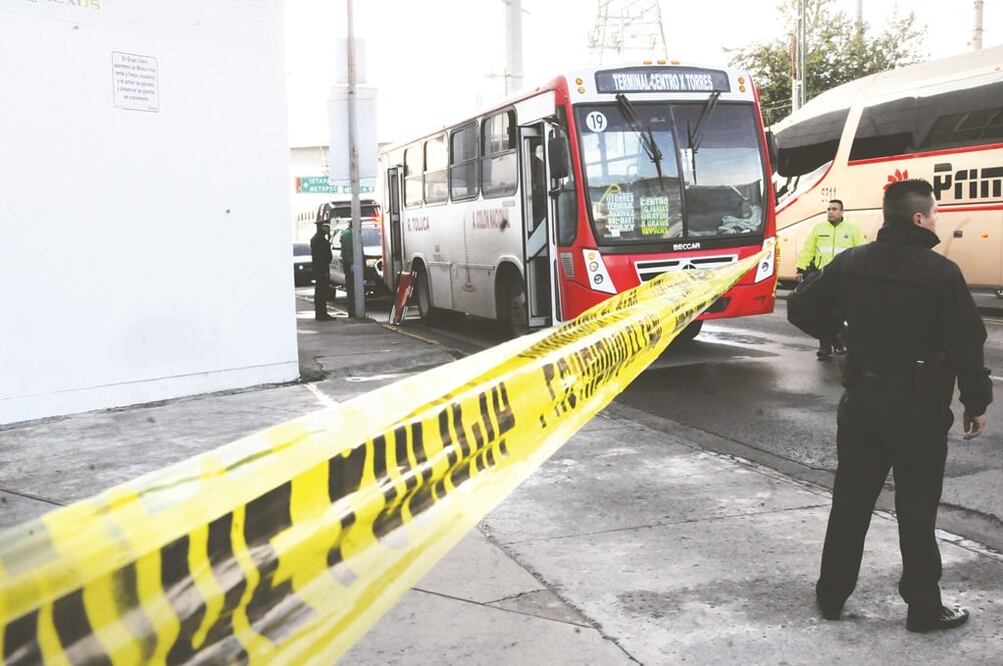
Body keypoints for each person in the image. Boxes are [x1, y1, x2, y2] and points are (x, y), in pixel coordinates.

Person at [788, 179, 992, 633]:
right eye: (934, 213)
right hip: (919, 407)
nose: (937, 220)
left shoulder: (852, 263)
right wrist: (975, 401)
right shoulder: (941, 273)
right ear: (919, 219)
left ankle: (832, 596)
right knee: (917, 510)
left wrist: (838, 333)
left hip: (862, 399)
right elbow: (967, 342)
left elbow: (800, 307)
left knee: (851, 502)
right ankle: (923, 607)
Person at [796, 199, 866, 359]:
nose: (830, 212)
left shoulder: (853, 229)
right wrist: (801, 268)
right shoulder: (818, 229)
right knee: (823, 313)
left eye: (834, 209)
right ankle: (825, 347)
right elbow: (808, 249)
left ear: (842, 212)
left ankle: (839, 341)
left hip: (844, 277)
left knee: (840, 313)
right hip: (823, 276)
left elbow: (861, 250)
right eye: (828, 209)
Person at [310, 221, 334, 321]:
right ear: (321, 228)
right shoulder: (320, 240)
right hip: (322, 269)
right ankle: (321, 314)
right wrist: (325, 271)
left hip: (319, 269)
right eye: (326, 227)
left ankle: (321, 313)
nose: (328, 230)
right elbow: (322, 257)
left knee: (320, 291)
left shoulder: (317, 239)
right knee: (322, 291)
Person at [339, 223, 356, 318]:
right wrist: (351, 263)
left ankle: (353, 311)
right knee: (352, 288)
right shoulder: (349, 234)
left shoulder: (347, 233)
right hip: (351, 264)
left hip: (350, 264)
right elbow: (347, 250)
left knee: (351, 289)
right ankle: (353, 312)